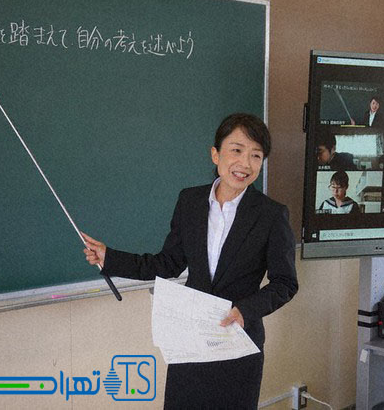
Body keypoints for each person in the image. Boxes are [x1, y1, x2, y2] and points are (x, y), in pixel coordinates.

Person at [82, 113, 298, 409]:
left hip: (238, 343)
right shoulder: (190, 202)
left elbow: (285, 283)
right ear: (215, 154)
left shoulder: (271, 214)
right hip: (190, 341)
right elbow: (167, 263)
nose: (245, 164)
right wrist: (110, 258)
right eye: (236, 150)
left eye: (256, 155)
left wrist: (245, 310)